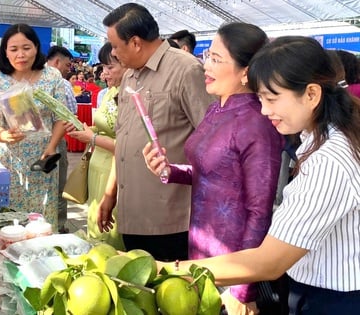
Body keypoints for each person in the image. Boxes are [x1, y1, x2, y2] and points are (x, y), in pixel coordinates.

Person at [149, 35, 360, 313]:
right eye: (260, 98)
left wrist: (166, 269)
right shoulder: (319, 138)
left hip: (331, 300)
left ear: (311, 94)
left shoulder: (329, 161)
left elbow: (268, 260)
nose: (264, 110)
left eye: (272, 98)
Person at [143, 22, 284, 314]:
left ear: (246, 71)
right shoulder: (216, 108)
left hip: (236, 266)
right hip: (203, 251)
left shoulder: (257, 122)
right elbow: (214, 176)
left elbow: (260, 210)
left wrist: (243, 291)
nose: (206, 64)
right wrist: (169, 171)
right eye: (208, 54)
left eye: (217, 59)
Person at [97, 3, 214, 261]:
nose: (113, 53)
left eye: (116, 46)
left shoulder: (185, 70)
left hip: (169, 217)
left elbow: (212, 142)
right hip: (132, 212)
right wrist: (110, 194)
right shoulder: (130, 77)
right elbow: (124, 140)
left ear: (136, 43)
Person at [0, 23, 71, 230]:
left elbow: (61, 118)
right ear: (5, 52)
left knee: (43, 219)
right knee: (10, 221)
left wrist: (51, 147)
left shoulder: (51, 77)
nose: (20, 55)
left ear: (36, 48)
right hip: (9, 161)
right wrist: (4, 135)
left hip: (43, 158)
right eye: (13, 49)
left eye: (26, 48)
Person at [66, 42, 126, 250]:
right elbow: (103, 127)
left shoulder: (128, 96)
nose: (104, 74)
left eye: (110, 68)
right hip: (97, 168)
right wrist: (84, 128)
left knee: (110, 233)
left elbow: (127, 145)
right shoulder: (110, 93)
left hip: (114, 172)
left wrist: (91, 139)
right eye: (103, 68)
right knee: (95, 222)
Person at [46, 45, 77, 233]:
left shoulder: (33, 78)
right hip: (56, 143)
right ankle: (59, 225)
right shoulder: (62, 83)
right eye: (67, 64)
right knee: (58, 186)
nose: (69, 69)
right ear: (57, 62)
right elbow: (70, 114)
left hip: (33, 142)